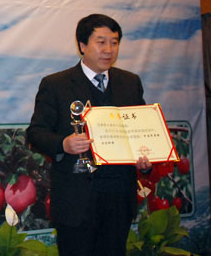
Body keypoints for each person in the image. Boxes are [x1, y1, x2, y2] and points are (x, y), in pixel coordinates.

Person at [26, 13, 151, 256]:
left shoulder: (130, 82)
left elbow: (140, 131)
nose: (109, 50)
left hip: (118, 197)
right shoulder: (56, 84)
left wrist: (145, 160)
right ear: (82, 45)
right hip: (76, 199)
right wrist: (63, 144)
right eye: (101, 42)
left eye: (114, 42)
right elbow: (36, 132)